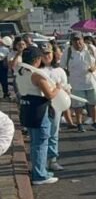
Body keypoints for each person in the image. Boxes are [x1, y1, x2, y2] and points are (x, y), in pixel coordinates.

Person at [17, 47, 62, 185]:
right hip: (39, 109)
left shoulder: (20, 72)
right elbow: (50, 94)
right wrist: (58, 88)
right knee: (41, 143)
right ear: (37, 59)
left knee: (35, 142)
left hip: (27, 107)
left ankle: (39, 170)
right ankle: (40, 175)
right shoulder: (36, 75)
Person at [64, 34, 96, 132]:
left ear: (82, 40)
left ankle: (95, 123)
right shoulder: (68, 51)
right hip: (76, 83)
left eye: (79, 40)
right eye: (75, 40)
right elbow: (63, 66)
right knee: (78, 105)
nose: (77, 42)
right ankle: (79, 124)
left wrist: (94, 68)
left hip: (91, 81)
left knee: (93, 103)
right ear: (71, 41)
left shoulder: (91, 48)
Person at [42, 43, 67, 172]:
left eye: (49, 53)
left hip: (56, 106)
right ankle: (42, 161)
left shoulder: (59, 70)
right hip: (41, 105)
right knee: (43, 135)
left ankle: (52, 160)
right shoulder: (37, 71)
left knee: (53, 134)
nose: (47, 56)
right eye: (44, 54)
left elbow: (65, 86)